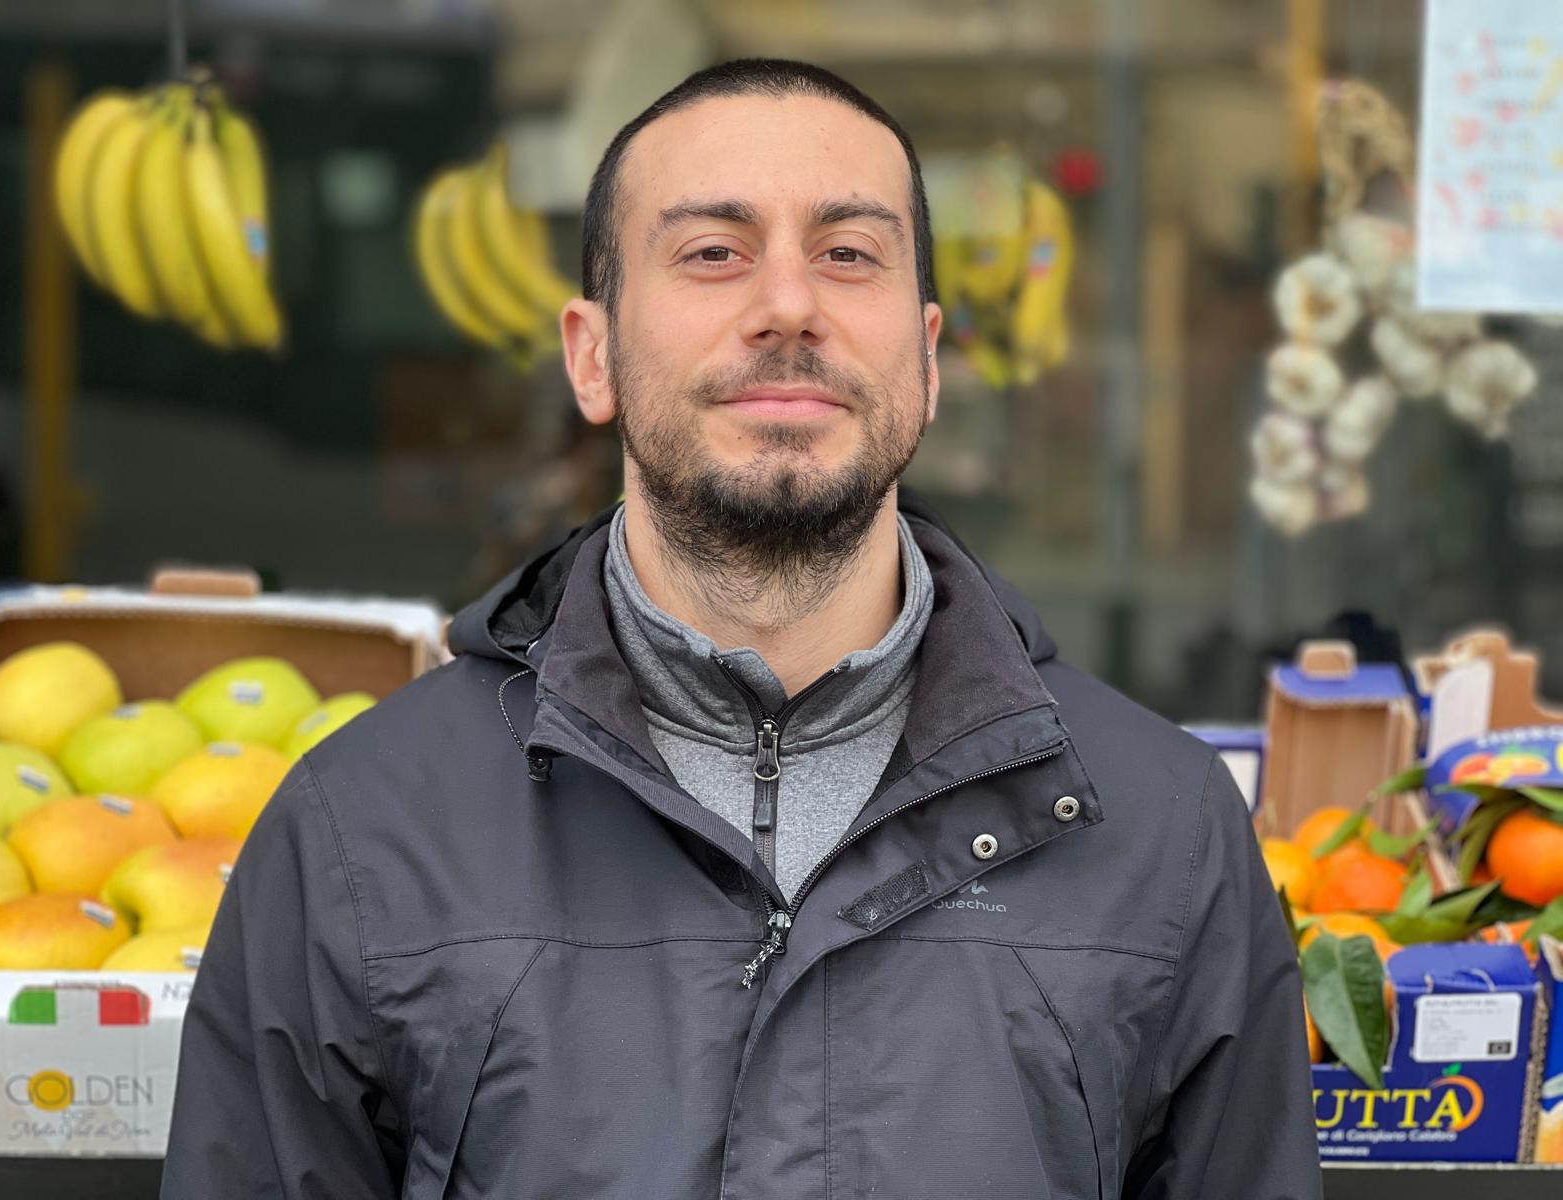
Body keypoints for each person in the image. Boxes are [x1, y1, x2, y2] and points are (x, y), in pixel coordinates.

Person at [162, 59, 1321, 1198]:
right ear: (592, 356)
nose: (788, 307)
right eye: (712, 253)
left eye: (847, 254)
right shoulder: (361, 834)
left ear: (926, 362)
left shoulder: (1165, 835)